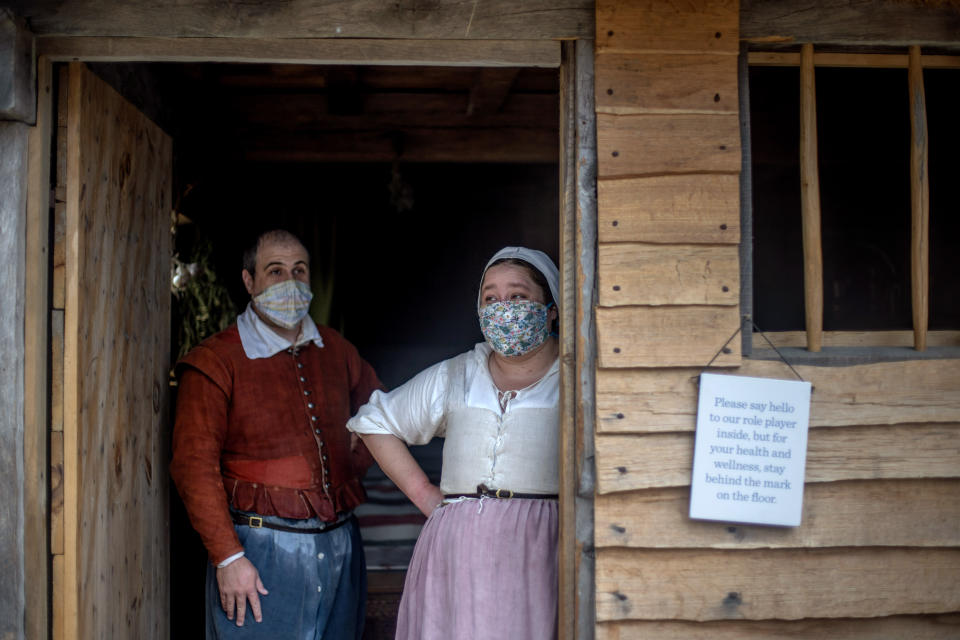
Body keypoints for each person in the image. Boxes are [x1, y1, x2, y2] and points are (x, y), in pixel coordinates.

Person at [170, 229, 382, 639]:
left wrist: (351, 460)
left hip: (340, 544)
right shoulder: (215, 361)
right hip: (259, 552)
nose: (290, 281)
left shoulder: (336, 349)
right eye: (275, 271)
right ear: (249, 281)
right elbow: (192, 467)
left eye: (299, 271)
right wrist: (229, 557)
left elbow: (384, 414)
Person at [347, 246, 560, 640]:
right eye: (490, 299)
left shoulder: (574, 379)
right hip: (457, 550)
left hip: (542, 549)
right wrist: (425, 494)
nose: (503, 308)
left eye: (518, 296)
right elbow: (374, 420)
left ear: (551, 309)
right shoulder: (459, 374)